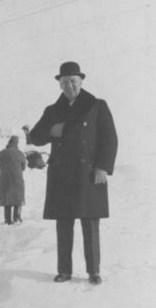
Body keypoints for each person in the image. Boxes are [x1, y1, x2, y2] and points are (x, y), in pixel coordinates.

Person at [29, 61, 118, 285]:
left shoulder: (97, 105)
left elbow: (110, 139)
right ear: (59, 85)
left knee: (90, 223)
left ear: (81, 81)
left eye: (73, 81)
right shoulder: (52, 110)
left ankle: (94, 271)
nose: (69, 86)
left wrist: (102, 167)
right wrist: (52, 130)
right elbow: (36, 136)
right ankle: (64, 270)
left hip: (88, 174)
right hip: (62, 176)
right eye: (65, 82)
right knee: (64, 224)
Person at [0, 135, 26, 224]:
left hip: (5, 180)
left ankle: (7, 219)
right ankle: (17, 218)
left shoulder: (2, 153)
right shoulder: (20, 153)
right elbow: (23, 167)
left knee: (7, 199)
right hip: (17, 180)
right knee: (17, 199)